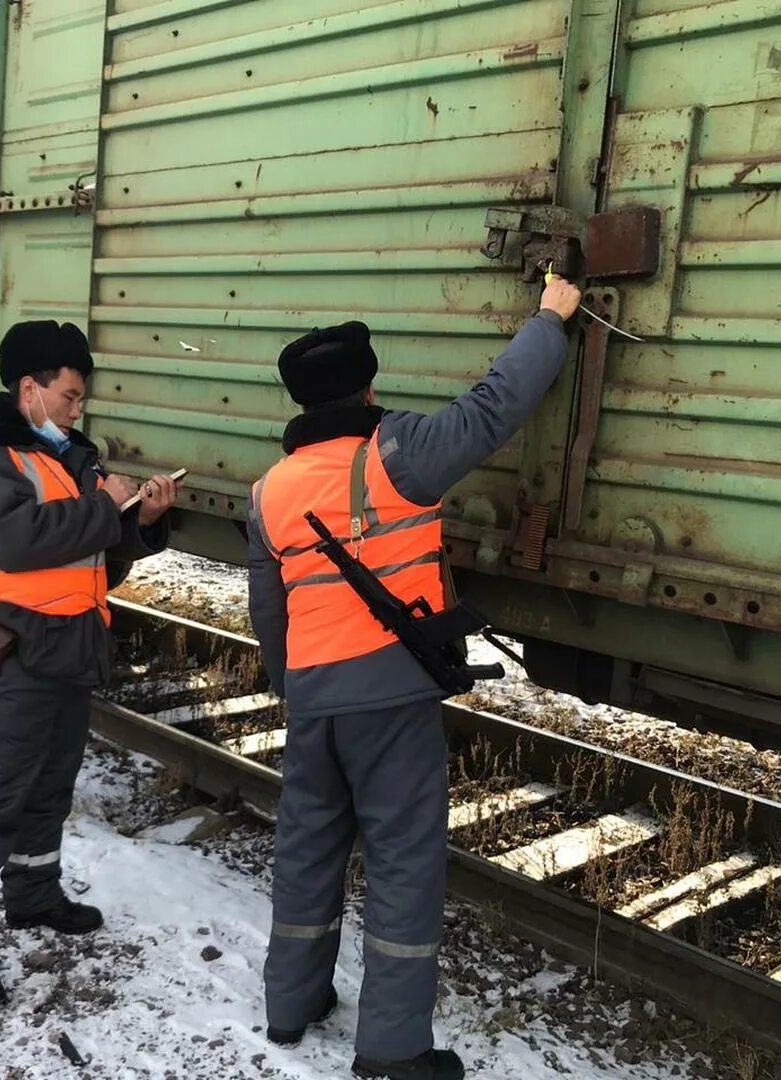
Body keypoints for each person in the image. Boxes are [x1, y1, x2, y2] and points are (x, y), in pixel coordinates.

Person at [247, 279, 583, 1079]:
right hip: (390, 701)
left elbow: (270, 613)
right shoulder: (398, 454)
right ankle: (393, 1049)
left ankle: (290, 1006)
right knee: (401, 863)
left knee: (306, 849)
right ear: (367, 387)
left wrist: (293, 689)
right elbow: (496, 404)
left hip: (316, 698)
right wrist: (551, 317)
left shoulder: (269, 491)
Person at [0, 319, 180, 1011]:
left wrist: (143, 520)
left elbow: (97, 556)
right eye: (70, 396)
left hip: (69, 652)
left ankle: (34, 896)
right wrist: (103, 505)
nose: (79, 409)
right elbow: (16, 542)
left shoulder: (69, 459)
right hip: (11, 656)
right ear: (30, 389)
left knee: (47, 791)